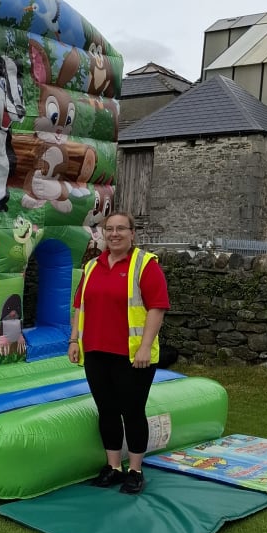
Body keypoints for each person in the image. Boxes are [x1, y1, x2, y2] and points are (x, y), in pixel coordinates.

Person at [67, 211, 169, 494]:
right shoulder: (92, 267)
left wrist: (145, 347)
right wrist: (74, 340)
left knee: (132, 412)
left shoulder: (145, 265)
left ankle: (135, 470)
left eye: (121, 229)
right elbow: (79, 306)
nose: (114, 234)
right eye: (109, 229)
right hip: (96, 352)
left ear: (132, 233)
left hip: (133, 356)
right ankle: (113, 467)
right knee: (107, 411)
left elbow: (157, 308)